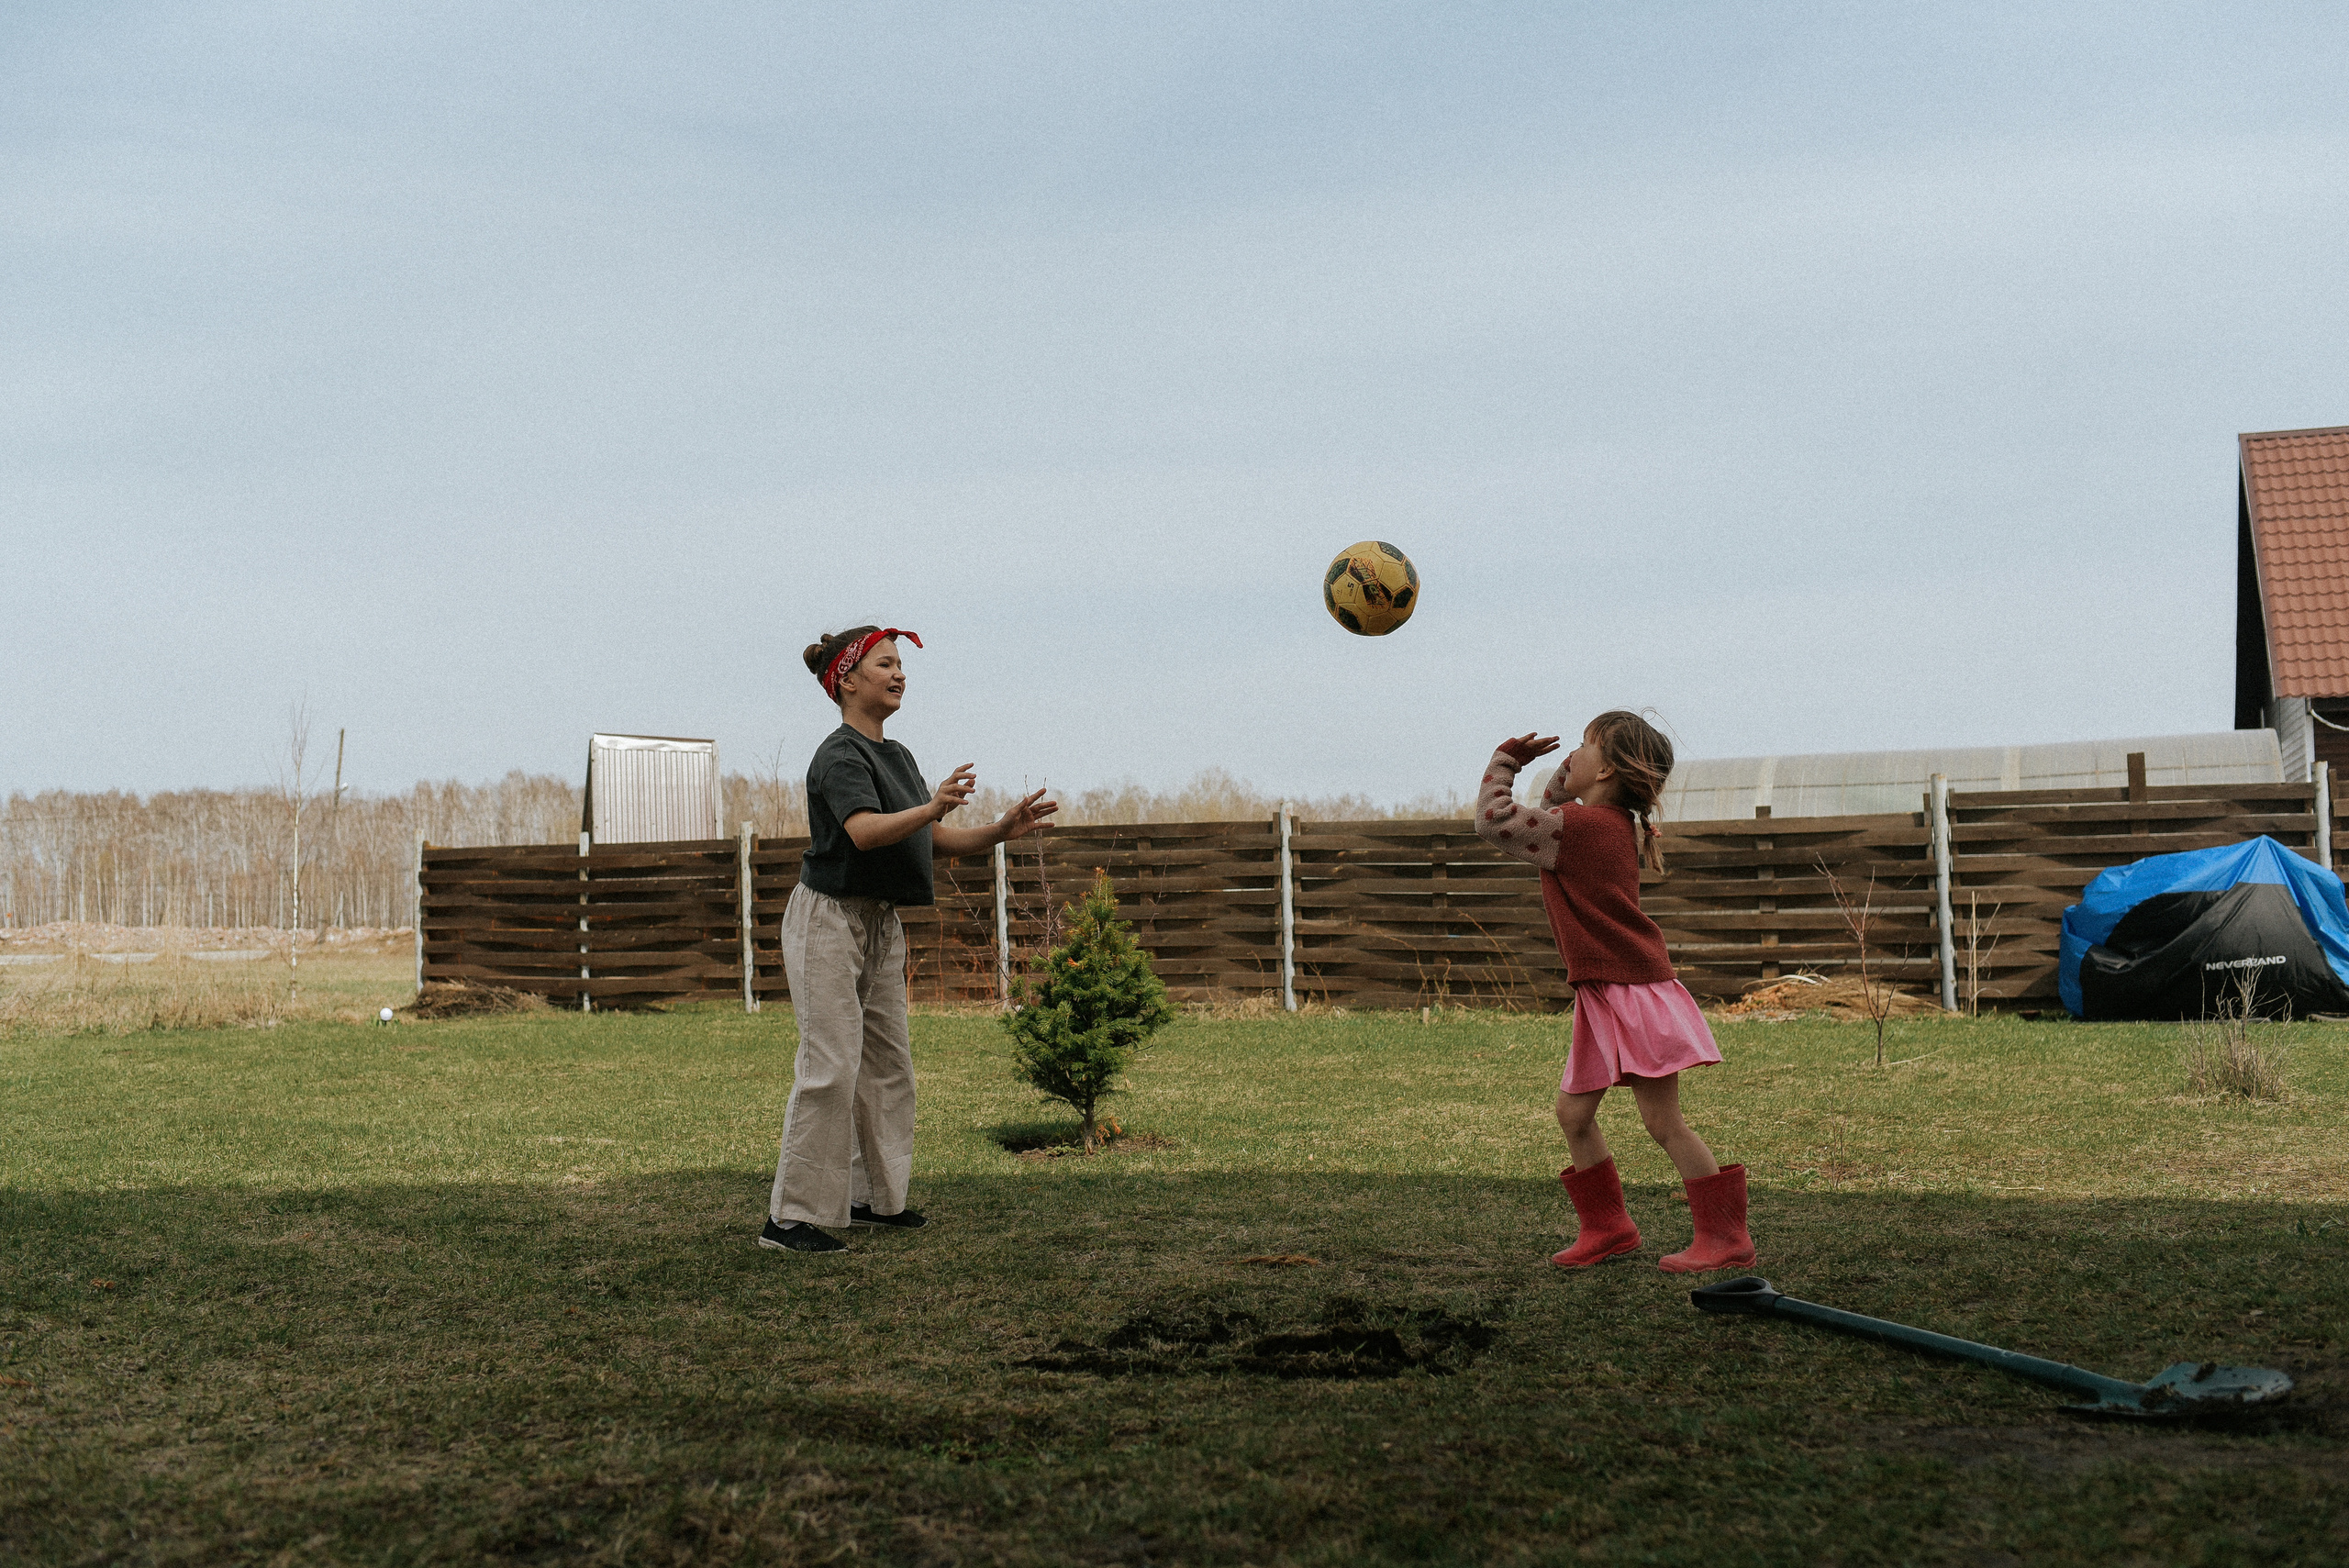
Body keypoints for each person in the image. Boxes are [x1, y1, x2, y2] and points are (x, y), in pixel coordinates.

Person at [761, 626, 1055, 1254]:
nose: (899, 674)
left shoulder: (897, 757)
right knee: (831, 1067)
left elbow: (930, 840)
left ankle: (875, 1200)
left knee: (890, 1068)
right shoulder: (838, 755)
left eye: (901, 665)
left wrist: (1000, 829)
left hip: (879, 924)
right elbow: (866, 832)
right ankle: (789, 1218)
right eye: (885, 664)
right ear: (847, 679)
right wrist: (930, 808)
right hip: (828, 921)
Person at [1473, 710, 1755, 1273]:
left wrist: (1506, 761)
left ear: (1606, 773)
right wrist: (1559, 773)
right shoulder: (1603, 823)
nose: (1570, 757)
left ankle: (1726, 1237)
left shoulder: (1581, 830)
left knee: (1664, 1124)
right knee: (1573, 1116)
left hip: (1631, 991)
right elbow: (1558, 803)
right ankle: (1608, 1228)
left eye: (1583, 747)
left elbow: (1494, 821)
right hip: (1607, 991)